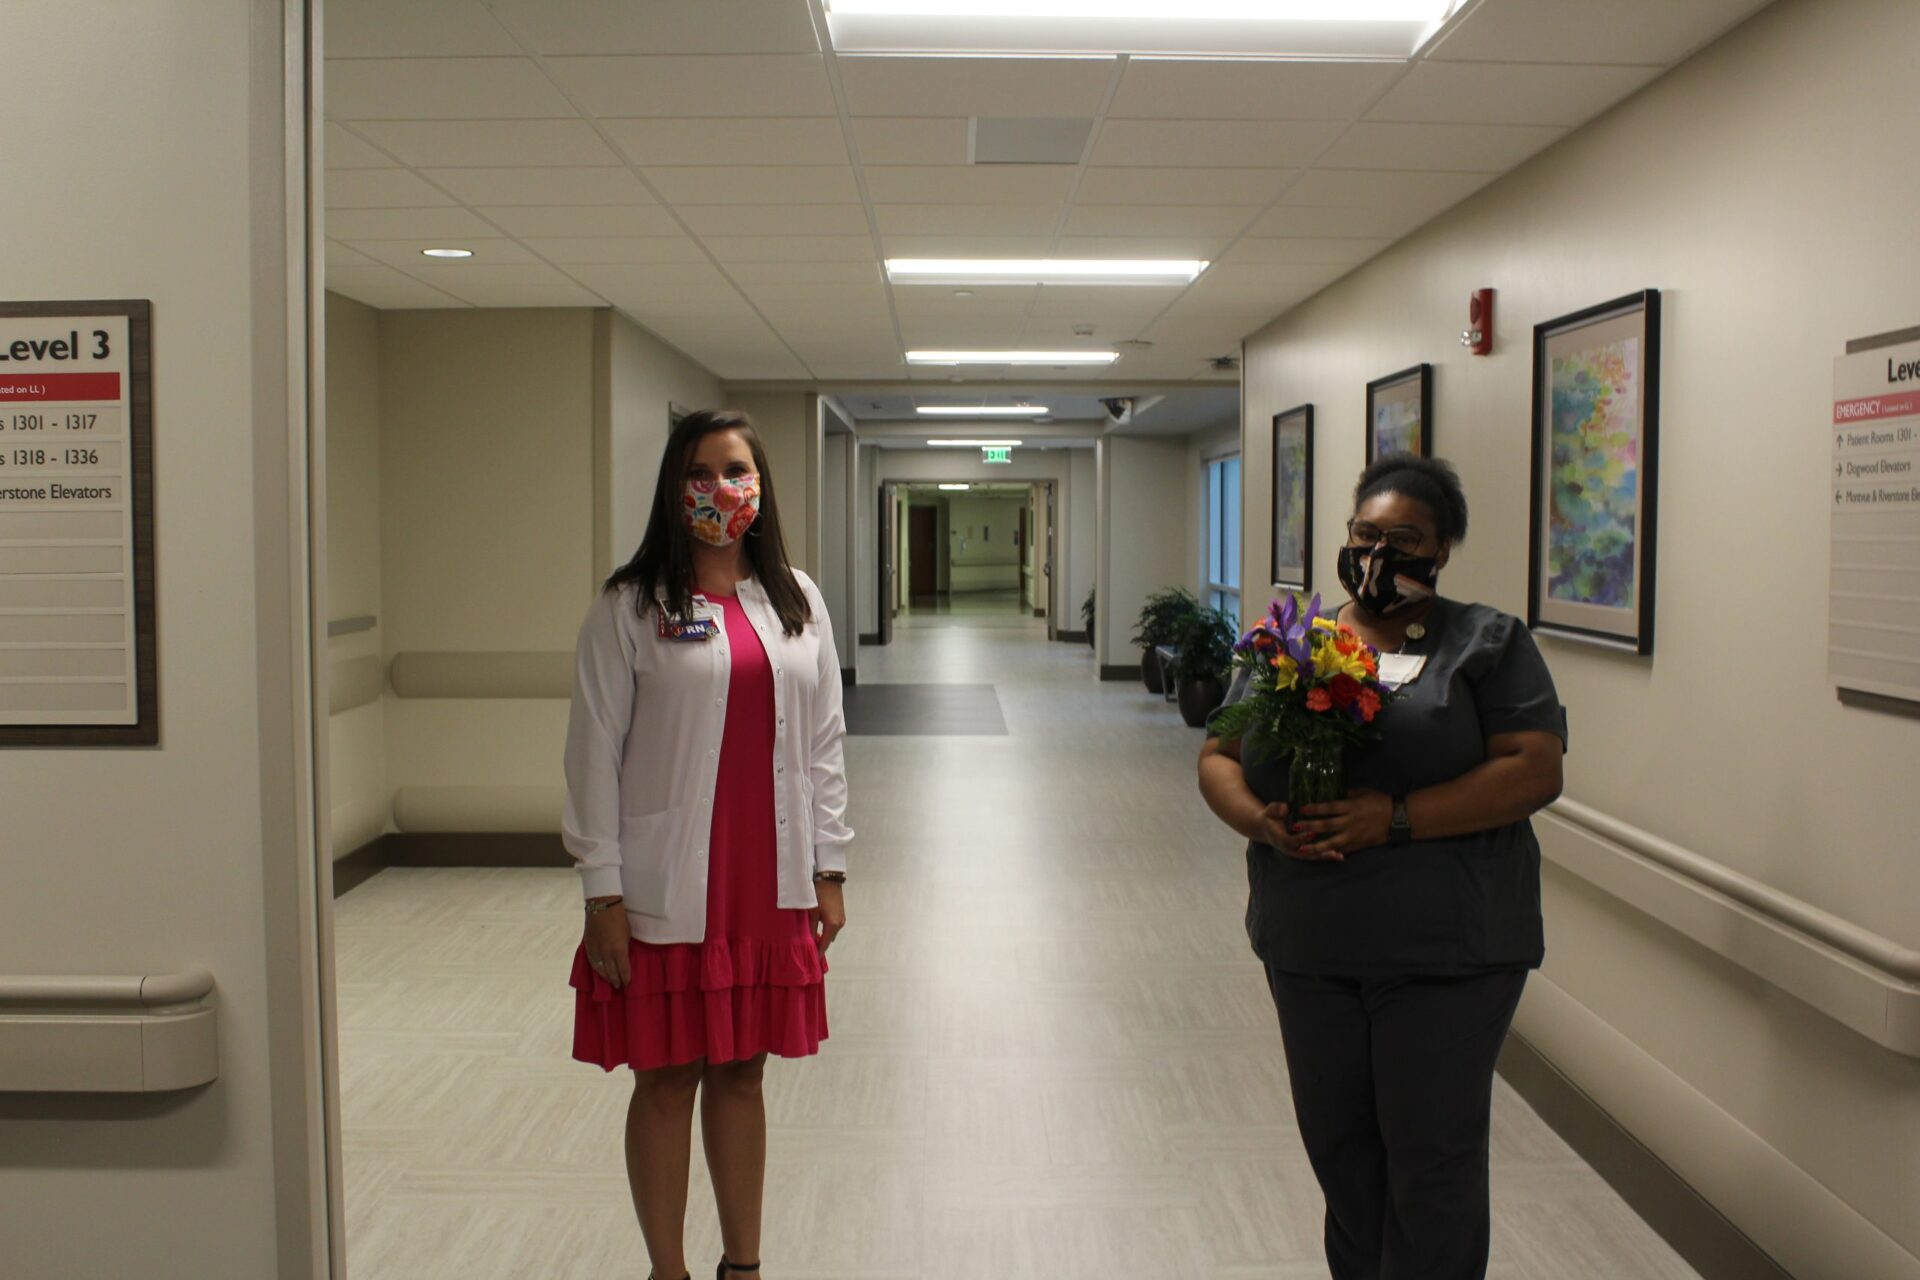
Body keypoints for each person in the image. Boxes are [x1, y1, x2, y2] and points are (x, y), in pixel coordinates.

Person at [1197, 455, 1566, 1280]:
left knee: (1430, 1161)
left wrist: (1390, 821)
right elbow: (1219, 754)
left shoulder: (1488, 643)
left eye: (1404, 539)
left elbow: (1534, 769)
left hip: (1448, 951)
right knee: (1343, 1154)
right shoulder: (1291, 644)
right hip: (1312, 949)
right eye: (1366, 534)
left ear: (1441, 551)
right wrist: (1259, 818)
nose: (1378, 554)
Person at [562, 409, 852, 1280]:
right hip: (662, 885)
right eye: (698, 473)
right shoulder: (630, 606)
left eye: (734, 470)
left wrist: (829, 867)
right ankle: (668, 1271)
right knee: (665, 1079)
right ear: (672, 489)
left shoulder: (796, 599)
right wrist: (602, 893)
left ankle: (744, 1266)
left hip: (766, 879)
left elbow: (826, 744)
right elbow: (592, 755)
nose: (719, 489)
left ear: (760, 486)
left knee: (740, 1076)